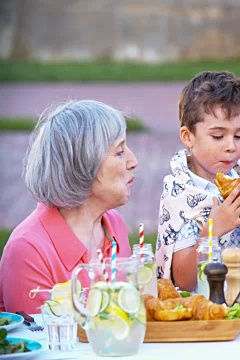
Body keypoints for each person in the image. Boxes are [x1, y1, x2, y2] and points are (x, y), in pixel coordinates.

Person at [0, 100, 137, 314]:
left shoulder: (113, 223)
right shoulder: (27, 251)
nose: (133, 161)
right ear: (83, 164)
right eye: (119, 152)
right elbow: (39, 342)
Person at [156, 71, 240, 292]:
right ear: (188, 136)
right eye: (218, 136)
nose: (231, 146)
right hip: (201, 312)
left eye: (238, 136)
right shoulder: (180, 193)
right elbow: (184, 280)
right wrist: (213, 230)